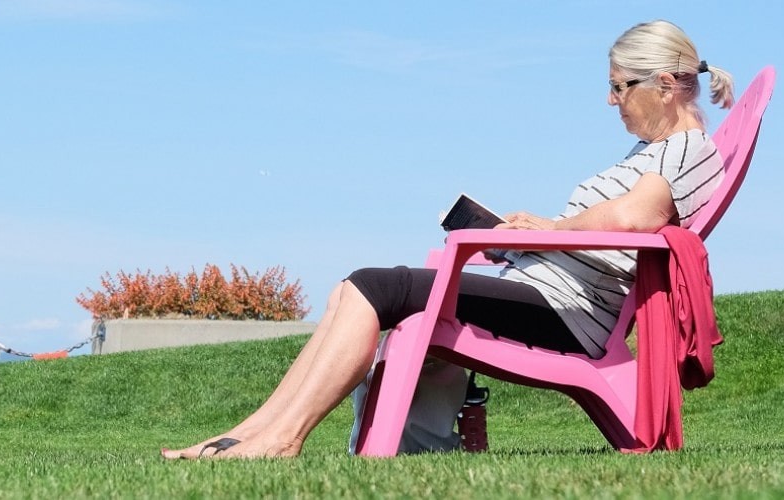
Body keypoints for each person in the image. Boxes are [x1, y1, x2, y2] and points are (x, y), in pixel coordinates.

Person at [161, 19, 735, 459]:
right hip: (546, 293)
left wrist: (547, 229)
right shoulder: (654, 152)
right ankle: (248, 435)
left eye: (619, 87)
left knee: (374, 287)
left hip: (566, 315)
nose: (612, 101)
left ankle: (283, 440)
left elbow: (635, 220)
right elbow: (612, 224)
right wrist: (515, 238)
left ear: (664, 85)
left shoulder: (687, 150)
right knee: (351, 291)